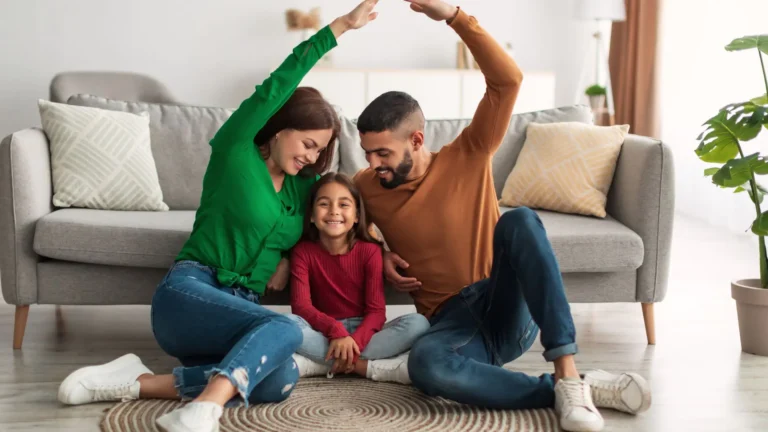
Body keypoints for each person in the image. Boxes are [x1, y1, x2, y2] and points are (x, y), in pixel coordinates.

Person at [56, 2, 380, 432]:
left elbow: (344, 208)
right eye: (307, 143)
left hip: (241, 313)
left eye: (320, 150)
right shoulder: (236, 150)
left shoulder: (304, 189)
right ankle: (206, 408)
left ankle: (137, 383)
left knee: (279, 378)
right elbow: (276, 85)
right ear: (279, 127)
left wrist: (373, 250)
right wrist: (339, 27)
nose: (312, 156)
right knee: (286, 330)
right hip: (191, 291)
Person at [352, 1, 651, 431]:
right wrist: (378, 253)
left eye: (383, 153)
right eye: (367, 153)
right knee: (426, 366)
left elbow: (507, 81)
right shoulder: (366, 186)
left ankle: (567, 370)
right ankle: (571, 388)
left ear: (416, 140)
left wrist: (455, 17)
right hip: (452, 324)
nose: (373, 163)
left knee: (520, 220)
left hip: (503, 299)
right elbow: (341, 229)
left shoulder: (469, 153)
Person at [287, 173, 430, 384]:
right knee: (286, 324)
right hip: (324, 332)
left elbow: (376, 312)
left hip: (365, 333)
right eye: (324, 204)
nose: (334, 211)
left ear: (356, 216)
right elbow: (301, 307)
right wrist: (336, 332)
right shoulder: (303, 252)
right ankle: (365, 365)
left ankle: (322, 364)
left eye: (343, 204)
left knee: (418, 323)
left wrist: (354, 341)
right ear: (311, 216)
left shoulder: (370, 251)